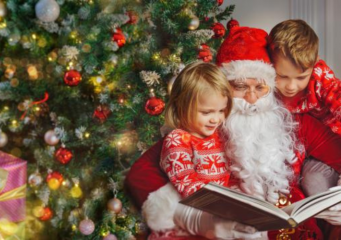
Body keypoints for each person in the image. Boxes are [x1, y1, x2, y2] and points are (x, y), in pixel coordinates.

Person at [125, 27, 341, 240]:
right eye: (240, 86)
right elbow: (139, 176)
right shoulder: (205, 125)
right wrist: (199, 221)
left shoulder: (294, 123)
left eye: (261, 87)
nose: (252, 98)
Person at [268, 18, 341, 239]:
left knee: (317, 184)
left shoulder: (322, 79)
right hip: (296, 148)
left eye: (301, 77)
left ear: (314, 65)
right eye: (282, 76)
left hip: (326, 150)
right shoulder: (263, 86)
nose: (291, 86)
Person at [161, 61, 233, 200]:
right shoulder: (177, 140)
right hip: (198, 207)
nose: (215, 119)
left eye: (221, 111)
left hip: (225, 205)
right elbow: (186, 181)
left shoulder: (220, 134)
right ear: (182, 106)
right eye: (206, 113)